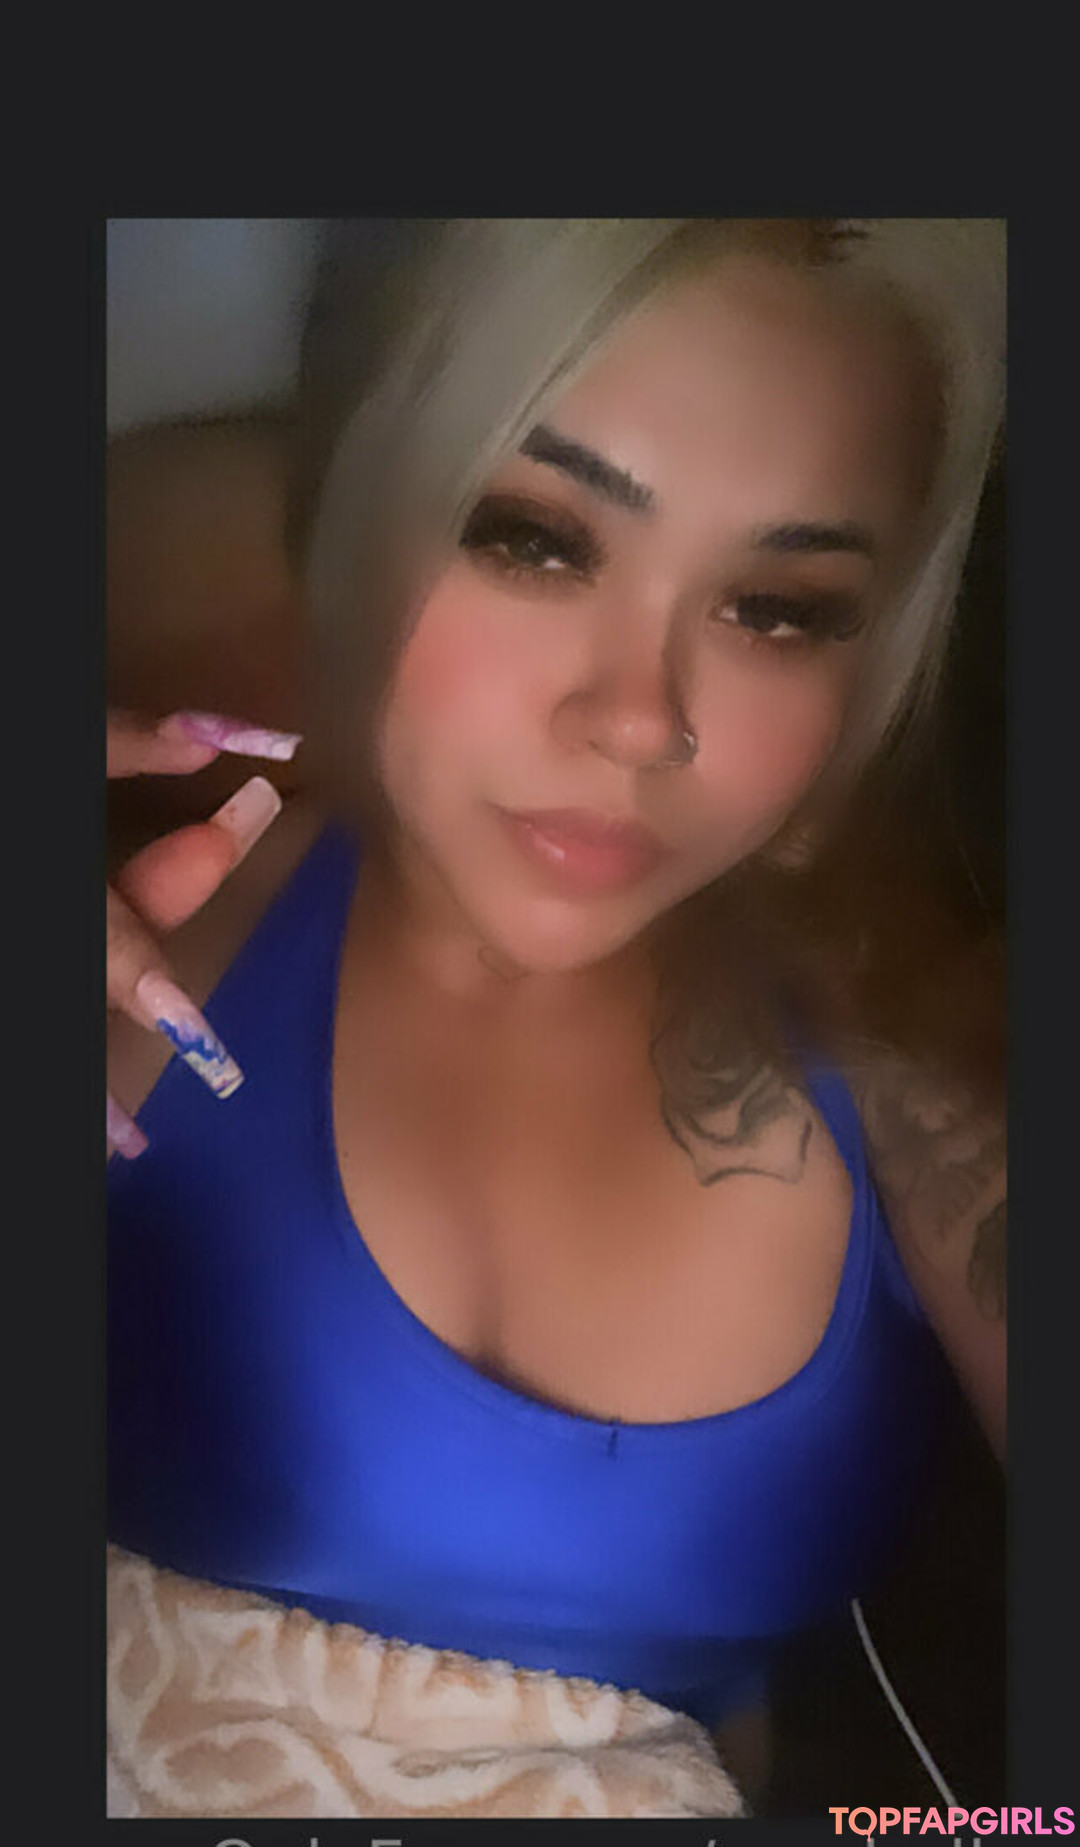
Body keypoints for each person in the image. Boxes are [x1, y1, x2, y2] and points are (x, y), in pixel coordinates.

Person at [105, 218, 1006, 1798]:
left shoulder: (909, 1063)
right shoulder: (169, 890)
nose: (641, 720)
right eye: (533, 538)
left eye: (778, 607)